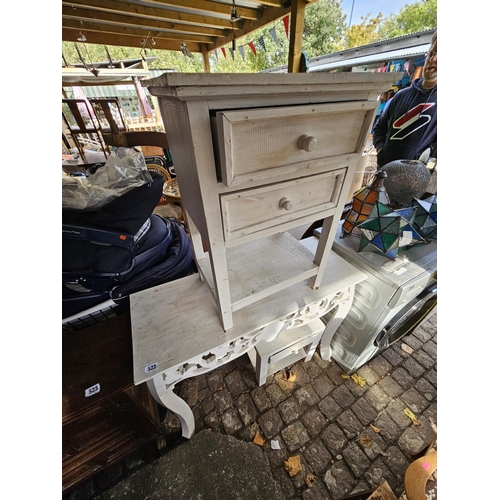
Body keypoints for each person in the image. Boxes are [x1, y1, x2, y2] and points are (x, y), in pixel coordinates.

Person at [372, 31, 437, 168]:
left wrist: (427, 155)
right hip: (384, 172)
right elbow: (379, 128)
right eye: (431, 54)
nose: (433, 59)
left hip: (412, 179)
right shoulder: (402, 95)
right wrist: (381, 151)